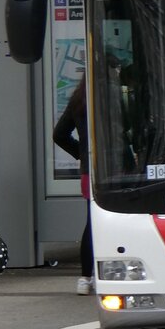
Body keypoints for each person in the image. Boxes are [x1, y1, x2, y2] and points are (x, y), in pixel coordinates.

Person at [52, 76, 94, 295]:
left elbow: (59, 134)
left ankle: (85, 278)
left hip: (89, 170)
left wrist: (81, 153)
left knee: (92, 222)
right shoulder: (109, 94)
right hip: (116, 169)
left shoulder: (80, 98)